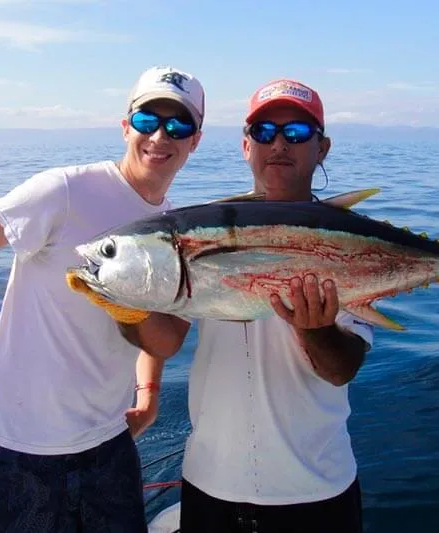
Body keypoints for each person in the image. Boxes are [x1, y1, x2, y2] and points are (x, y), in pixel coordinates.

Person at [0, 65, 204, 533]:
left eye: (178, 125)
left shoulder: (177, 228)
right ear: (124, 127)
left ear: (194, 140)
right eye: (146, 121)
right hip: (15, 448)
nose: (160, 136)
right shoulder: (65, 191)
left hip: (109, 447)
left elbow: (163, 328)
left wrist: (149, 395)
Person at [128, 79, 374, 533]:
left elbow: (343, 368)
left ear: (323, 148)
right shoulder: (199, 233)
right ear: (245, 146)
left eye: (297, 133)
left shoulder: (352, 241)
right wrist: (125, 301)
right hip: (208, 486)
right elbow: (163, 343)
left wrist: (314, 329)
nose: (279, 144)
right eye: (264, 132)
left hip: (315, 491)